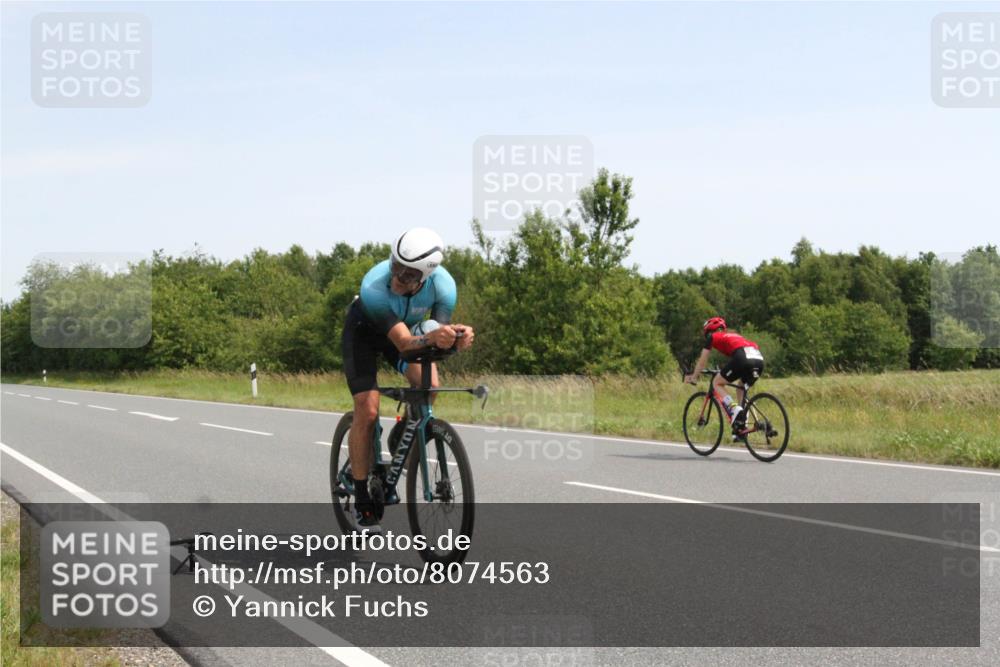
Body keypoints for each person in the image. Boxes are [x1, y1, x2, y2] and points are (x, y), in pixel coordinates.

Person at [341, 227, 475, 533]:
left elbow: (434, 337)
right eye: (396, 266)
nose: (398, 278)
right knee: (368, 408)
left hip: (405, 334)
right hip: (364, 334)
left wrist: (455, 338)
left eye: (409, 274)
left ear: (427, 275)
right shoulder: (375, 286)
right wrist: (435, 337)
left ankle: (402, 433)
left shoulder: (445, 287)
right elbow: (404, 344)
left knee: (431, 387)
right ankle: (362, 495)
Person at [684, 317, 764, 435]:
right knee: (741, 389)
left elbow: (702, 360)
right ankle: (742, 429)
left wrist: (694, 376)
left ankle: (733, 408)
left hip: (743, 358)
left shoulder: (713, 336)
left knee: (716, 382)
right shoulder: (734, 335)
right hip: (758, 359)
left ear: (709, 331)